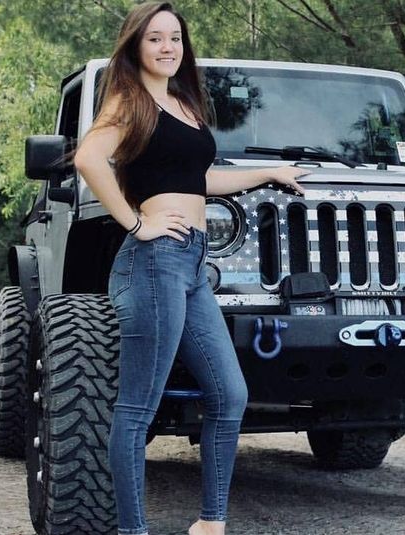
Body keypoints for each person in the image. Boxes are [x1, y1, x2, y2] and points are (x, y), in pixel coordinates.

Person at [73, 3, 308, 534]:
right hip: (153, 260)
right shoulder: (128, 100)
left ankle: (209, 523)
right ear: (135, 46)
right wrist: (136, 224)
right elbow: (89, 159)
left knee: (230, 395)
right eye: (154, 38)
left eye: (174, 38)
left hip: (192, 263)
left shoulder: (183, 103)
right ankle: (133, 530)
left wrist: (268, 172)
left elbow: (199, 180)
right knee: (138, 407)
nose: (166, 47)